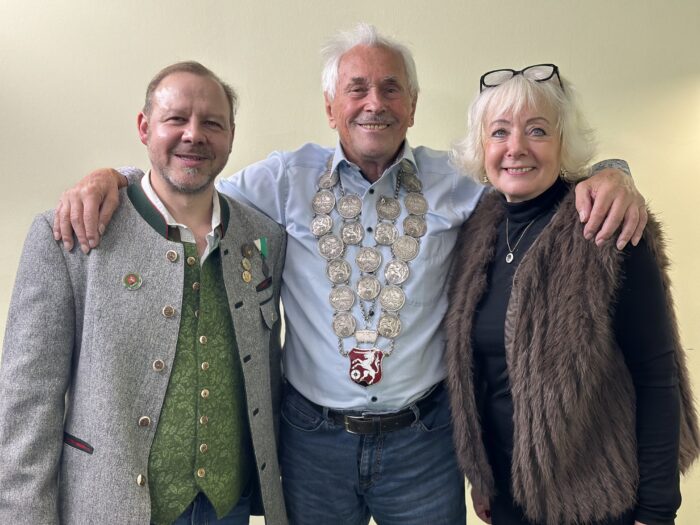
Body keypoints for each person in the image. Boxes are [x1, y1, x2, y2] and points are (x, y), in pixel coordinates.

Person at [52, 25, 647, 525]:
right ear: (330, 107)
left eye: (391, 88)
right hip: (312, 442)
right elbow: (187, 184)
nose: (374, 103)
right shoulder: (283, 181)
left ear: (412, 105)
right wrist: (116, 177)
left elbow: (533, 176)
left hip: (424, 441)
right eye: (356, 88)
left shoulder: (458, 181)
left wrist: (611, 172)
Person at [0, 62, 288, 525]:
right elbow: (27, 403)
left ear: (232, 135)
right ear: (144, 127)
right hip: (108, 505)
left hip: (226, 506)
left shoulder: (262, 237)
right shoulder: (71, 235)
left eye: (212, 123)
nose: (194, 135)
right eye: (176, 119)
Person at [445, 64, 700, 525]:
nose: (516, 147)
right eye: (499, 132)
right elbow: (480, 376)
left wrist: (658, 509)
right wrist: (481, 479)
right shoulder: (478, 231)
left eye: (537, 130)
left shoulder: (605, 226)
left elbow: (657, 375)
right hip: (507, 500)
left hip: (600, 501)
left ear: (564, 142)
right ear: (482, 147)